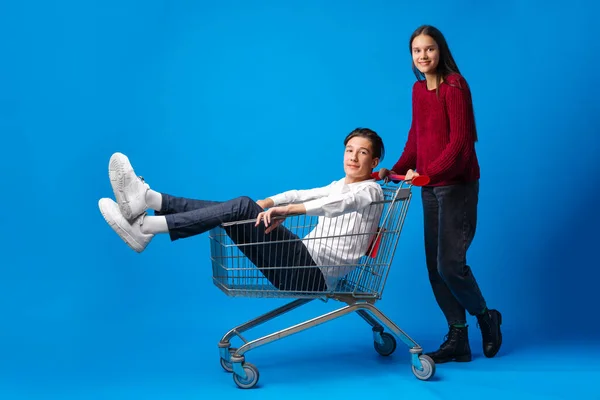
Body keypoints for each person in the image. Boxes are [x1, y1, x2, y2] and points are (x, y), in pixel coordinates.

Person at [99, 128, 385, 293]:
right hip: (296, 265)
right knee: (240, 209)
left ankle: (147, 221)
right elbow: (302, 193)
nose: (353, 157)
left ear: (374, 161)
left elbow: (335, 206)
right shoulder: (340, 184)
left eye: (362, 152)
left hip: (311, 272)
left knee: (239, 206)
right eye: (349, 149)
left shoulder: (371, 191)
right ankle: (149, 203)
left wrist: (291, 210)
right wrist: (269, 203)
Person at [378, 25, 502, 363]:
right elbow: (417, 140)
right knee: (434, 267)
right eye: (417, 51)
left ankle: (485, 317)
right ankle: (457, 337)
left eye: (429, 49)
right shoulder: (419, 92)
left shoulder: (454, 87)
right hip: (428, 187)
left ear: (440, 50)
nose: (423, 56)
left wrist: (429, 173)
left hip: (456, 185)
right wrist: (396, 168)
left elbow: (460, 144)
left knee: (450, 264)